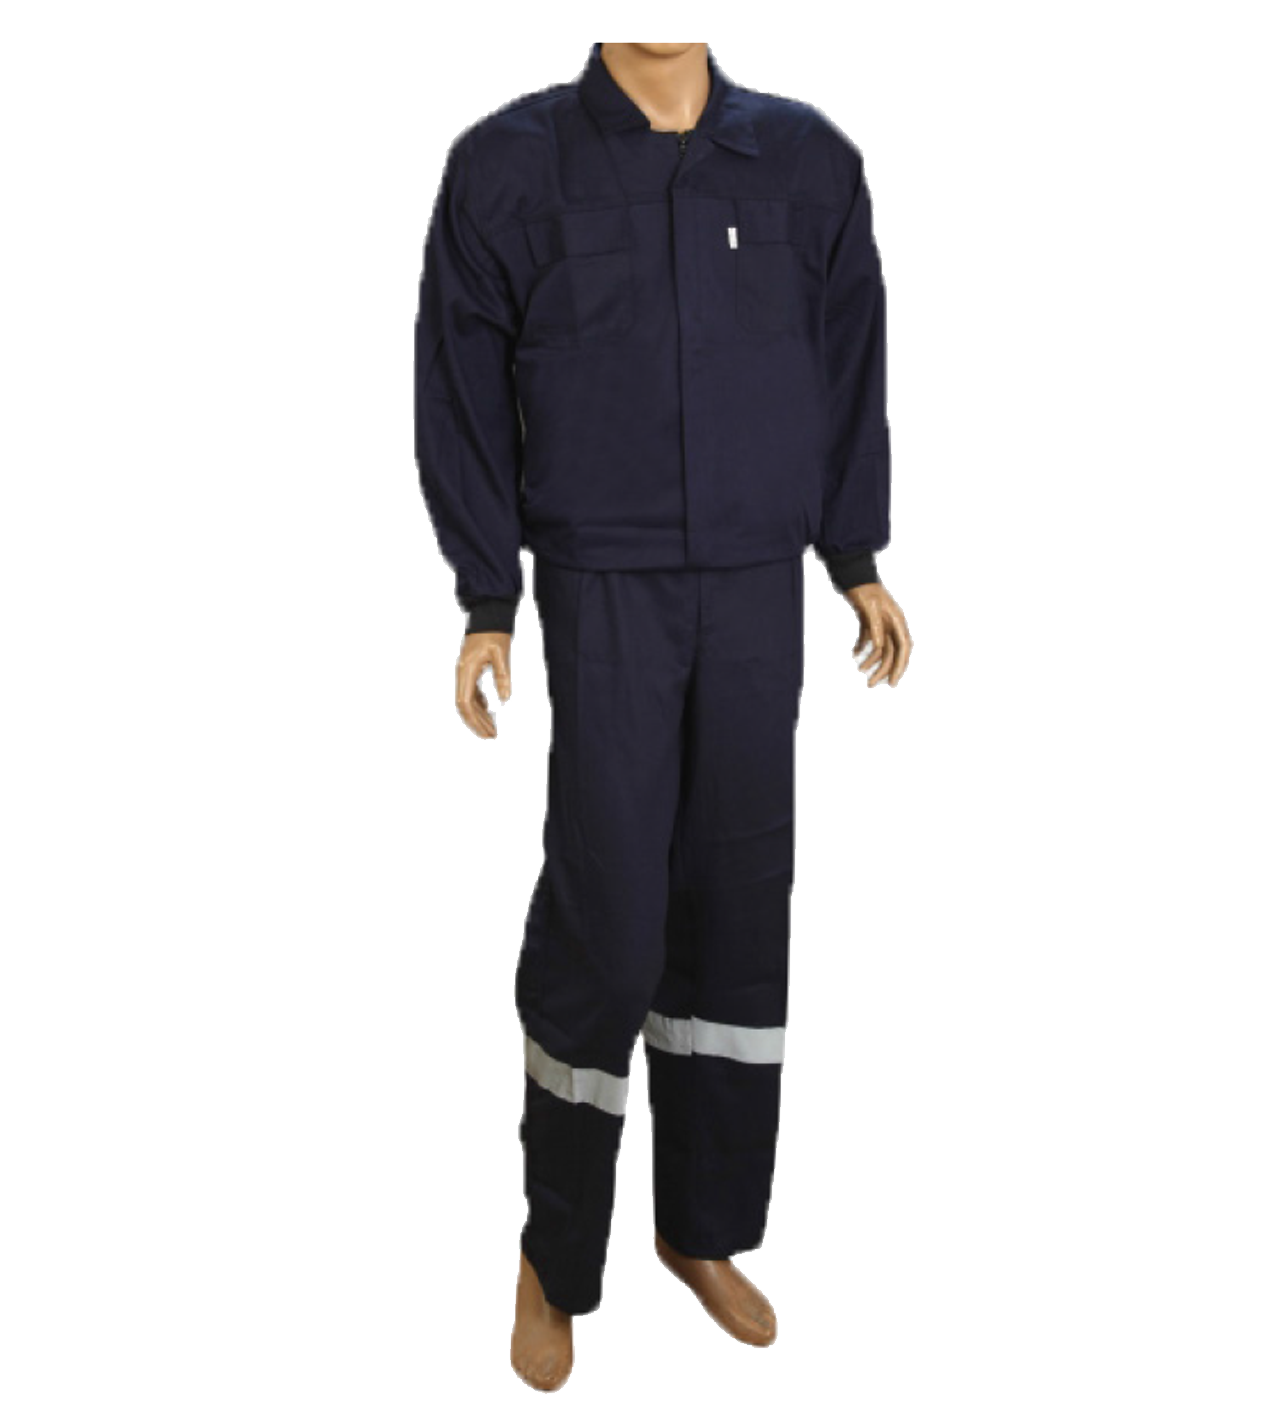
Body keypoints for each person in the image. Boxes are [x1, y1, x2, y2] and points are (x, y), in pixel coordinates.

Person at [414, 40, 912, 1391]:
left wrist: (855, 557)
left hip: (756, 588)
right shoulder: (508, 169)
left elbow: (850, 364)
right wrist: (487, 596)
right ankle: (554, 1254)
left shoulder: (807, 162)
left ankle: (701, 1228)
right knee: (611, 914)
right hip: (607, 589)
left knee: (738, 910)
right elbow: (460, 393)